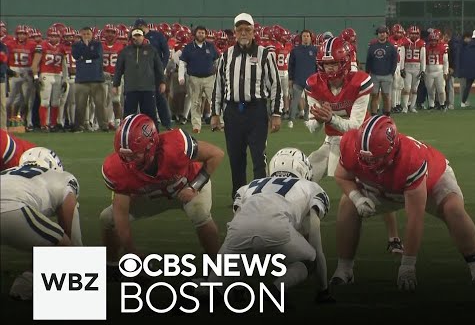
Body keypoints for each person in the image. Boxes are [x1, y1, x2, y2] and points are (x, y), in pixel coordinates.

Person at [330, 115, 475, 290]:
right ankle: (344, 270)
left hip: (430, 180)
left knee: (453, 209)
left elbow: (415, 218)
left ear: (391, 149)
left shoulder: (411, 159)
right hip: (385, 185)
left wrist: (407, 266)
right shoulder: (350, 143)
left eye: (374, 159)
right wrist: (357, 198)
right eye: (365, 158)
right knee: (348, 204)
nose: (369, 163)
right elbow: (341, 176)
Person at [306, 37, 404, 256]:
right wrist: (320, 119)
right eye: (326, 64)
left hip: (363, 141)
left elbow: (354, 126)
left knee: (376, 186)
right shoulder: (314, 83)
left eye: (334, 63)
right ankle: (299, 233)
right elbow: (311, 127)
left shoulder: (359, 81)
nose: (329, 68)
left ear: (345, 61)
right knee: (303, 176)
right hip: (331, 141)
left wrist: (329, 118)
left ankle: (394, 238)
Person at [100, 113, 225, 280]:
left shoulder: (175, 146)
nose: (129, 162)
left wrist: (195, 186)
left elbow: (216, 154)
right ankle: (112, 265)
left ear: (151, 146)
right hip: (154, 195)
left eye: (134, 155)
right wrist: (132, 252)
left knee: (199, 212)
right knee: (107, 218)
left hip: (187, 186)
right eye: (124, 156)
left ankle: (218, 269)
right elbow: (120, 211)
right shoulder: (117, 168)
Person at [202, 148, 334, 304]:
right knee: (309, 261)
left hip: (239, 229)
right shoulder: (310, 187)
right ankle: (274, 291)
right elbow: (314, 235)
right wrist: (323, 290)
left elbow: (238, 221)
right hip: (277, 227)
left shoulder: (250, 185)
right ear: (302, 168)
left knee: (216, 285)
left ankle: (214, 291)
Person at [211, 13, 283, 201]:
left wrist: (276, 113)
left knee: (259, 157)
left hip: (256, 111)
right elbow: (218, 85)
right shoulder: (226, 55)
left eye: (247, 29)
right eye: (240, 29)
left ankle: (260, 197)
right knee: (236, 158)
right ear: (234, 32)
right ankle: (239, 197)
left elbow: (275, 84)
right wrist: (215, 113)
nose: (243, 33)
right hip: (233, 112)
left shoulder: (264, 54)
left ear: (253, 32)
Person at [1, 147, 82, 300]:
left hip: (14, 207)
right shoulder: (63, 177)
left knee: (44, 235)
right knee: (65, 247)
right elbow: (69, 211)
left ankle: (29, 278)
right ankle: (28, 285)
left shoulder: (8, 172)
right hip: (12, 209)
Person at [112, 28, 166, 125]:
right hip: (131, 88)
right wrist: (115, 84)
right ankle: (126, 135)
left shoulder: (151, 50)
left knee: (150, 115)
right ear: (132, 38)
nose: (137, 38)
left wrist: (162, 82)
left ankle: (154, 135)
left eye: (139, 36)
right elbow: (118, 69)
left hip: (148, 88)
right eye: (135, 36)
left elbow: (159, 68)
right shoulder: (125, 52)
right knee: (129, 115)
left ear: (143, 37)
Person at [178, 26, 219, 134]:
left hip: (210, 78)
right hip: (194, 79)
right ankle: (196, 126)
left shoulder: (210, 46)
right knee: (195, 103)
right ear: (195, 34)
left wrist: (220, 75)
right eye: (199, 32)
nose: (201, 34)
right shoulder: (189, 47)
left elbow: (218, 61)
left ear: (206, 35)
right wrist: (181, 77)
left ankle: (219, 123)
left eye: (203, 33)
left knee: (214, 101)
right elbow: (182, 63)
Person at [133, 18, 172, 130]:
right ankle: (148, 124)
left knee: (160, 98)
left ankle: (167, 123)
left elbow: (166, 52)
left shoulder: (157, 36)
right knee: (145, 100)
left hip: (155, 72)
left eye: (140, 28)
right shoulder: (134, 38)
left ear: (145, 26)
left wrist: (162, 67)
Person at [72, 26, 108, 131]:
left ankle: (103, 125)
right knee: (80, 105)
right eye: (84, 34)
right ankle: (79, 126)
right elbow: (76, 55)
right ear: (81, 35)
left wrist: (85, 54)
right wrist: (86, 51)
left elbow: (96, 54)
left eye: (88, 34)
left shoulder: (98, 44)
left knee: (100, 104)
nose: (86, 36)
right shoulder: (76, 45)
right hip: (81, 80)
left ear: (92, 34)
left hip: (97, 78)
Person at [287, 30, 317, 128]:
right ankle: (291, 120)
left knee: (309, 102)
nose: (306, 37)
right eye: (304, 36)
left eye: (307, 36)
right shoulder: (295, 50)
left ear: (310, 37)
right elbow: (291, 66)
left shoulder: (315, 50)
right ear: (301, 38)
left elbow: (318, 66)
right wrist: (290, 79)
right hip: (298, 79)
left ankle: (306, 118)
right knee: (295, 101)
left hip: (311, 80)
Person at [365, 25, 397, 115]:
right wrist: (367, 73)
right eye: (380, 33)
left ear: (387, 34)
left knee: (386, 96)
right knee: (374, 96)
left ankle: (387, 115)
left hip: (387, 75)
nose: (382, 34)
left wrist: (392, 73)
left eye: (383, 33)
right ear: (377, 34)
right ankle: (374, 116)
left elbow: (394, 61)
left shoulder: (391, 47)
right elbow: (369, 61)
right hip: (374, 75)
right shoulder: (372, 46)